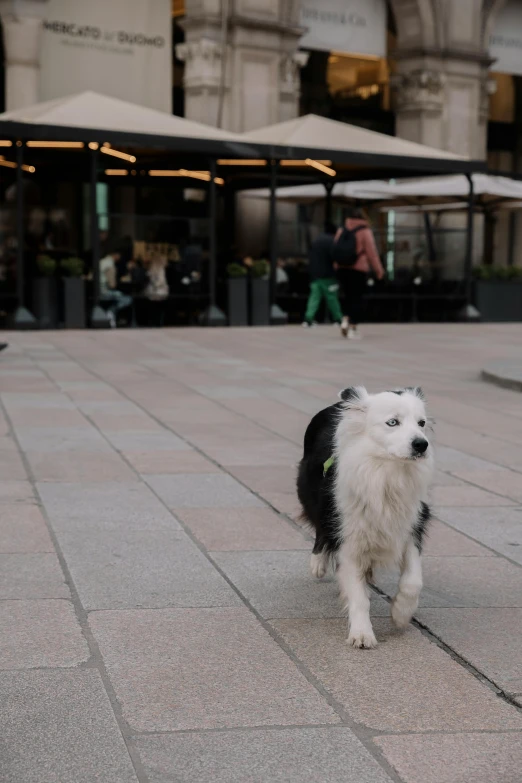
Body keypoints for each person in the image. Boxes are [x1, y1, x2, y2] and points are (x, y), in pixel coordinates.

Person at [334, 209, 385, 339]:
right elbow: (371, 253)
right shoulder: (364, 231)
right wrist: (379, 270)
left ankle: (345, 319)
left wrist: (336, 266)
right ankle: (352, 327)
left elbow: (335, 249)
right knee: (357, 297)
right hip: (358, 269)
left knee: (346, 295)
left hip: (342, 268)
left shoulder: (342, 230)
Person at [302, 222, 343, 328]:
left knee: (314, 297)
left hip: (315, 274)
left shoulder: (316, 241)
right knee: (332, 298)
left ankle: (308, 319)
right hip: (328, 274)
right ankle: (338, 319)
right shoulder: (332, 241)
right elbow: (335, 257)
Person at [99, 250, 133, 328]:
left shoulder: (102, 262)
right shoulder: (110, 264)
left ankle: (111, 314)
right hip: (105, 292)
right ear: (116, 255)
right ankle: (111, 312)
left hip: (98, 290)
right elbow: (112, 284)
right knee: (128, 299)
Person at [144, 254, 169, 327]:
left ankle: (152, 323)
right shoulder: (161, 269)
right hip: (160, 293)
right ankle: (159, 323)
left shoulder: (151, 268)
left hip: (151, 292)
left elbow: (149, 279)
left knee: (153, 309)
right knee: (159, 309)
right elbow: (161, 281)